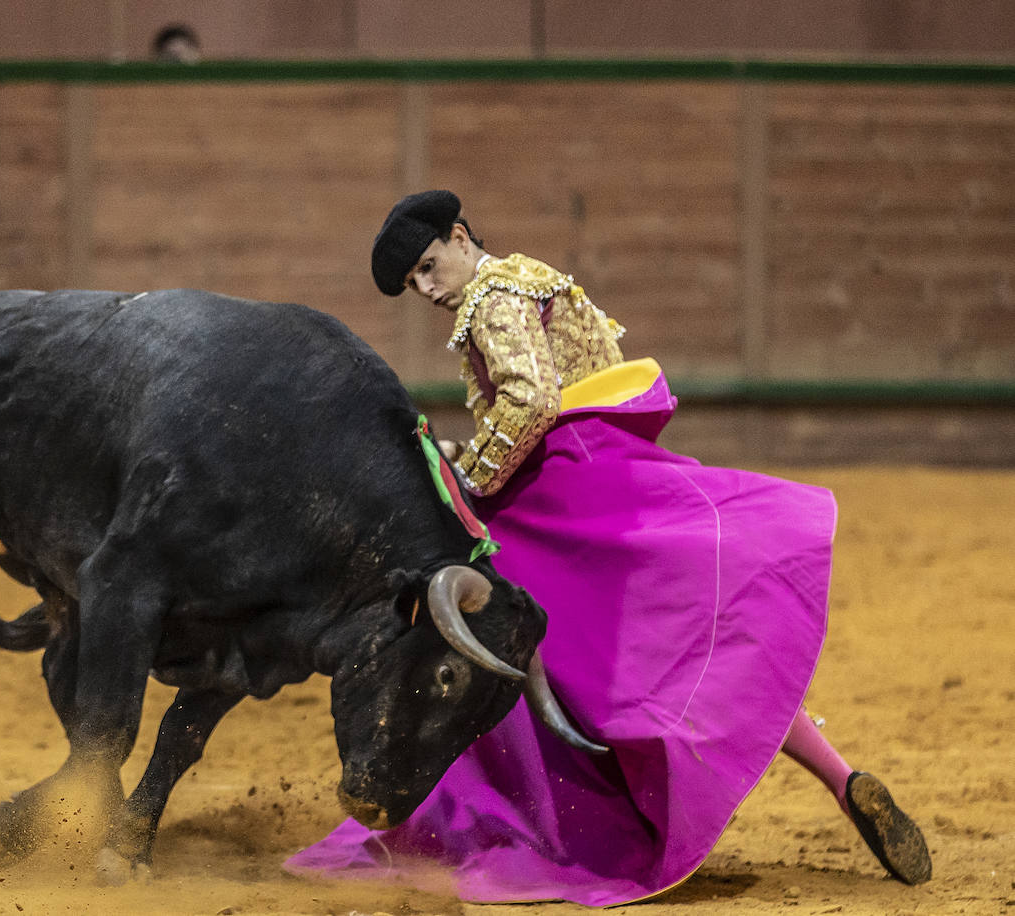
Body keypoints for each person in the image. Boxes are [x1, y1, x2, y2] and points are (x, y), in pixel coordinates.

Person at [285, 190, 932, 906]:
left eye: (430, 267)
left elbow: (530, 403)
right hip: (610, 478)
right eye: (416, 284)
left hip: (561, 501)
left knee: (509, 646)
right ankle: (843, 780)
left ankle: (521, 813)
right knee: (705, 645)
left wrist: (469, 479)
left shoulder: (491, 299)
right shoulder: (531, 275)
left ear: (461, 238)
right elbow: (594, 370)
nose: (430, 290)